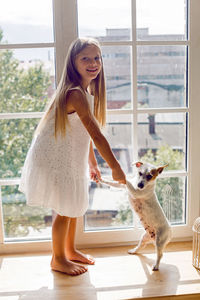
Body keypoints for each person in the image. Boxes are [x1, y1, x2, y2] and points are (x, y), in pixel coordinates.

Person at [19, 37, 126, 276]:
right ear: (73, 63)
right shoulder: (75, 93)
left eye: (97, 58)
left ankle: (70, 250)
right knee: (65, 208)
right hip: (53, 156)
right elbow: (97, 135)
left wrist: (93, 162)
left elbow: (82, 131)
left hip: (69, 153)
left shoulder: (85, 91)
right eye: (85, 58)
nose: (93, 63)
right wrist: (116, 167)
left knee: (74, 203)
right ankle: (58, 259)